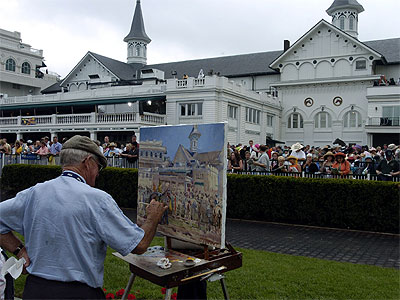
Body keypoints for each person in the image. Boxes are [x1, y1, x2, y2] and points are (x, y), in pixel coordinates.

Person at [0, 135, 167, 299]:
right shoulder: (97, 199)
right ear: (87, 162)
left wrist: (19, 250)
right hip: (77, 293)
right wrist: (153, 217)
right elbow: (138, 245)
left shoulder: (35, 193)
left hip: (36, 290)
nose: (98, 174)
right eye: (98, 168)